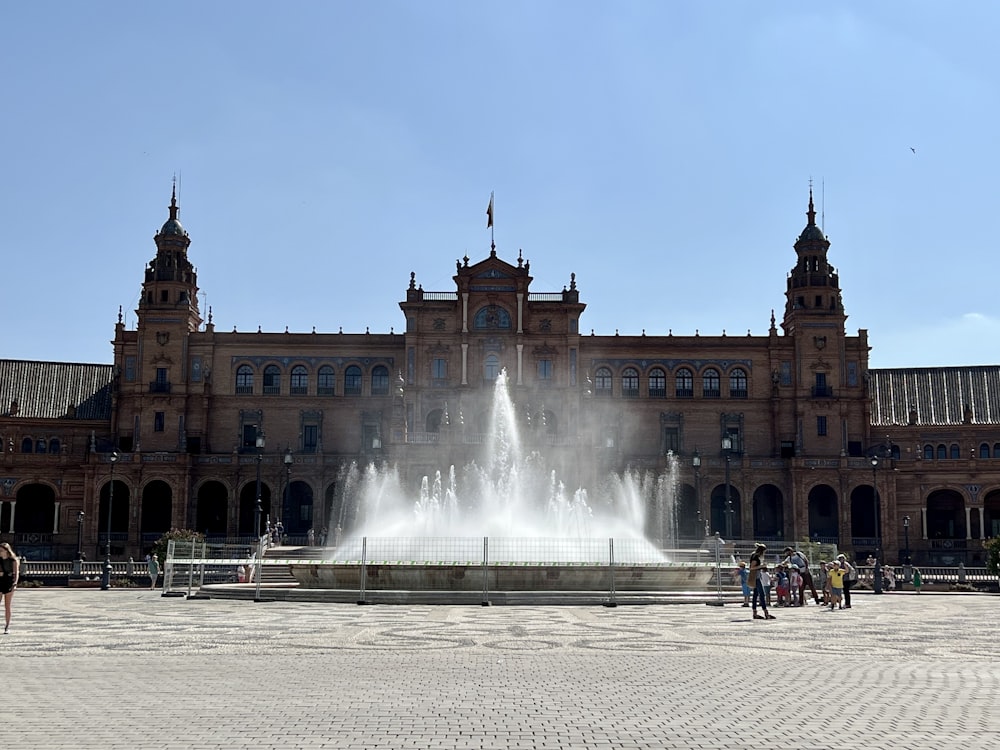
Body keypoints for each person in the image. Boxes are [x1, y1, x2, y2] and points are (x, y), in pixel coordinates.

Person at [748, 542, 775, 620]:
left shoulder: (754, 556)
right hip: (756, 577)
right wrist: (762, 566)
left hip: (757, 576)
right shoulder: (755, 557)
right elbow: (752, 567)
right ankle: (766, 612)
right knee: (762, 594)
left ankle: (755, 612)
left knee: (755, 595)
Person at [0, 542, 20, 634]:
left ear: (6, 551)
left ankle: (7, 626)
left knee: (7, 606)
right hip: (0, 581)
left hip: (8, 581)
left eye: (1, 550)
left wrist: (15, 583)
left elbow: (16, 573)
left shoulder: (13, 560)